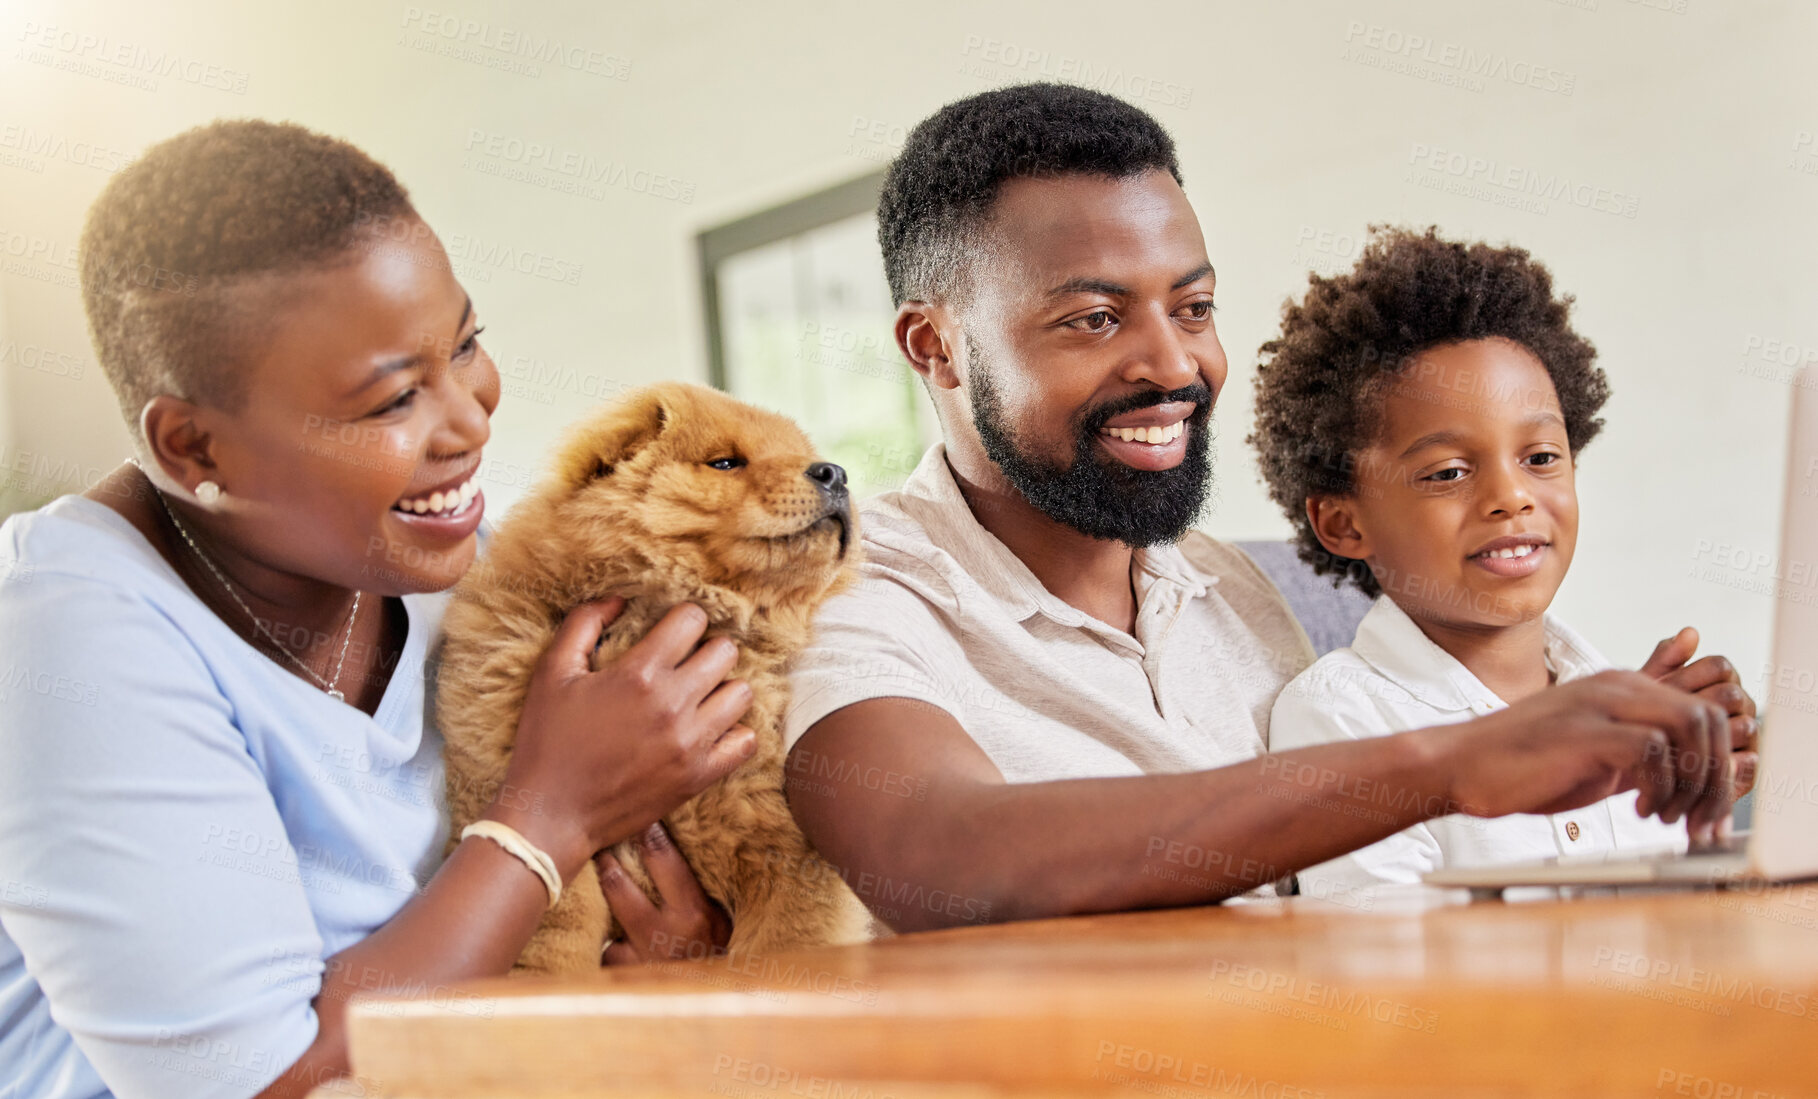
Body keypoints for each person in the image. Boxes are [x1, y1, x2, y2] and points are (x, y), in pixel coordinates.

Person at [781, 83, 1754, 931]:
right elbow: (937, 853)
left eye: (1193, 308)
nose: (1174, 366)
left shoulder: (1234, 593)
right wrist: (1453, 760)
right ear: (936, 347)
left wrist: (1638, 762)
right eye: (1095, 318)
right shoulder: (851, 583)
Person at [0, 120, 753, 1099]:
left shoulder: (468, 573)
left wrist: (673, 953)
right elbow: (253, 1084)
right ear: (195, 447)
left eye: (467, 344)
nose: (473, 419)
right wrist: (551, 812)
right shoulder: (63, 634)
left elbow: (602, 943)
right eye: (394, 400)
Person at [1256, 227, 1759, 897]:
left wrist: (1705, 828)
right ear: (1344, 523)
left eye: (1541, 458)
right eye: (1448, 471)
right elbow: (1384, 957)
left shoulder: (1621, 696)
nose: (1511, 496)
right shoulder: (1341, 717)